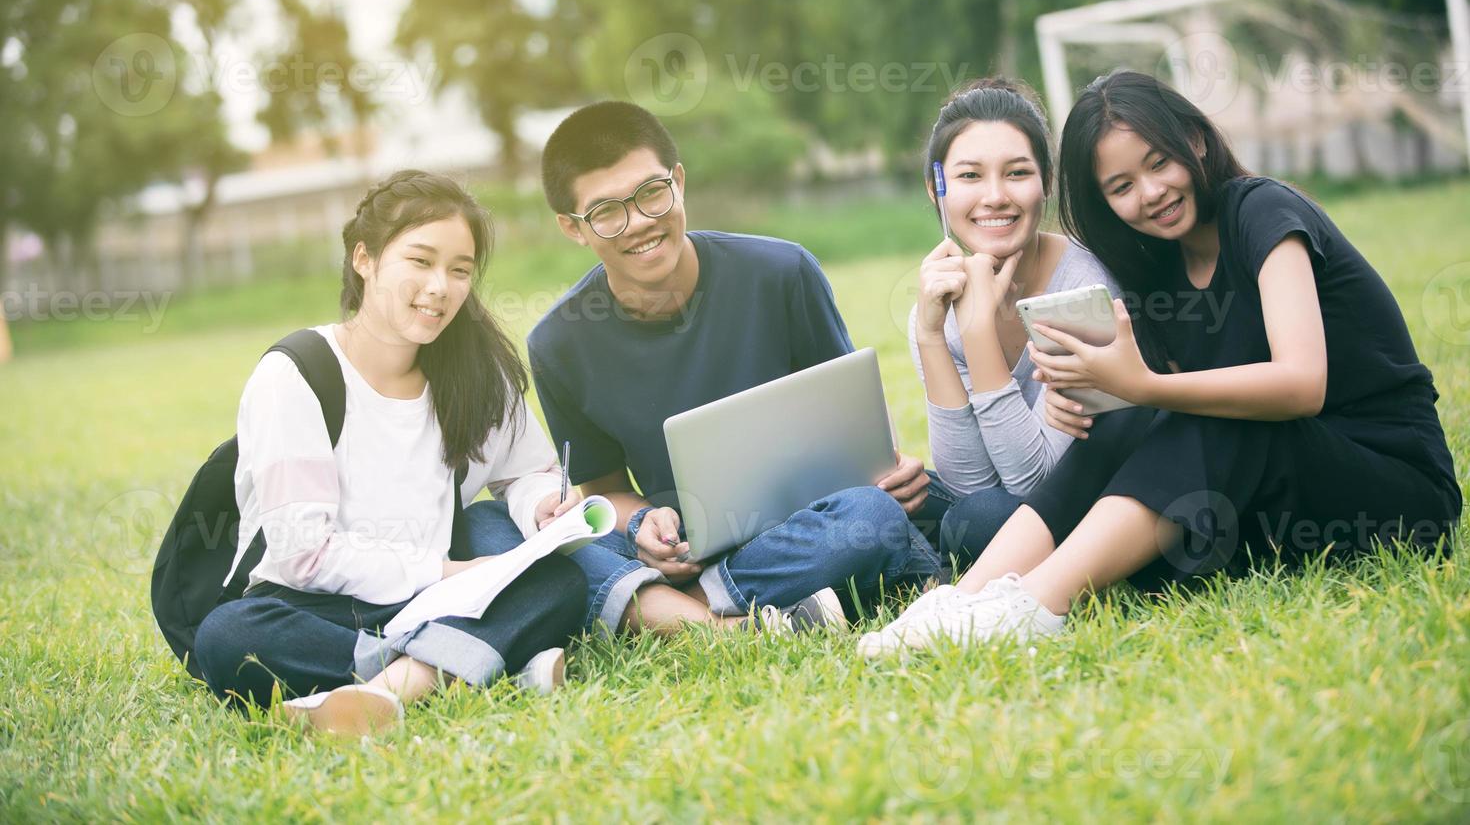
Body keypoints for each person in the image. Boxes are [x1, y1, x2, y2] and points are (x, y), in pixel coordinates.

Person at [861, 70, 1462, 657]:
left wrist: (1146, 384)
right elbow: (1138, 427)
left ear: (1195, 142)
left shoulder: (1261, 213)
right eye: (1120, 187)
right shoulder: (1156, 267)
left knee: (1195, 407)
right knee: (1127, 418)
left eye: (1158, 163)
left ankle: (1036, 606)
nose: (1149, 193)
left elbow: (1302, 384)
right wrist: (1106, 393)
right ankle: (961, 601)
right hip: (1274, 502)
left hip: (1390, 488)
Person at [526, 101, 943, 637]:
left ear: (678, 181)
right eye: (606, 211)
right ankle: (761, 602)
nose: (640, 224)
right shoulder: (558, 343)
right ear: (573, 227)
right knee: (567, 549)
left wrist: (889, 470)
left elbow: (854, 419)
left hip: (816, 519)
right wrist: (637, 525)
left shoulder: (782, 272)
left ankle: (693, 609)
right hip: (685, 550)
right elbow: (604, 490)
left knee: (881, 515)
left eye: (652, 193)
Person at [194, 170, 587, 735]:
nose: (440, 287)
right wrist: (448, 571)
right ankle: (471, 670)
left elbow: (528, 472)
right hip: (321, 606)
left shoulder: (478, 375)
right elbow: (304, 554)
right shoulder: (298, 374)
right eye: (420, 261)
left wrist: (544, 504)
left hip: (441, 599)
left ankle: (380, 696)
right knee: (229, 638)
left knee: (559, 584)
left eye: (459, 271)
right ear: (365, 258)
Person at [908, 77, 1118, 571]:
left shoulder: (1082, 293)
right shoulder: (938, 301)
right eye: (969, 176)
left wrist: (979, 334)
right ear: (936, 190)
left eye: (1017, 173)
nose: (996, 196)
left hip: (1076, 505)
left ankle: (926, 571)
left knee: (981, 521)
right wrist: (930, 336)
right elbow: (968, 484)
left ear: (1046, 180)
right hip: (989, 503)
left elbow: (1032, 488)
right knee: (895, 503)